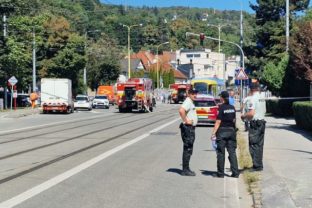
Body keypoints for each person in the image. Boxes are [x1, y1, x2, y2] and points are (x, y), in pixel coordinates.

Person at [211, 91, 239, 178]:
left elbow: (218, 121)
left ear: (222, 98)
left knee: (221, 153)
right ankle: (235, 173)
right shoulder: (232, 108)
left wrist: (213, 133)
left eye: (220, 97)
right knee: (232, 153)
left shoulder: (221, 108)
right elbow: (234, 120)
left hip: (222, 132)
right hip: (231, 131)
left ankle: (220, 173)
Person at [241, 82, 266, 172]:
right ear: (258, 89)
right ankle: (259, 165)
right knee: (260, 145)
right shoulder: (262, 98)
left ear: (251, 89)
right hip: (262, 122)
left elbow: (251, 114)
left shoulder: (252, 99)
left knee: (253, 145)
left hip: (255, 124)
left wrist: (243, 116)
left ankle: (256, 166)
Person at [178, 88, 198, 176]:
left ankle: (186, 168)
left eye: (196, 93)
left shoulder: (190, 101)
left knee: (189, 149)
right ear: (189, 94)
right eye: (193, 93)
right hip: (188, 128)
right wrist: (186, 121)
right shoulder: (188, 101)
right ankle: (185, 170)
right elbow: (181, 110)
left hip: (190, 128)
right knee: (188, 149)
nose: (195, 95)